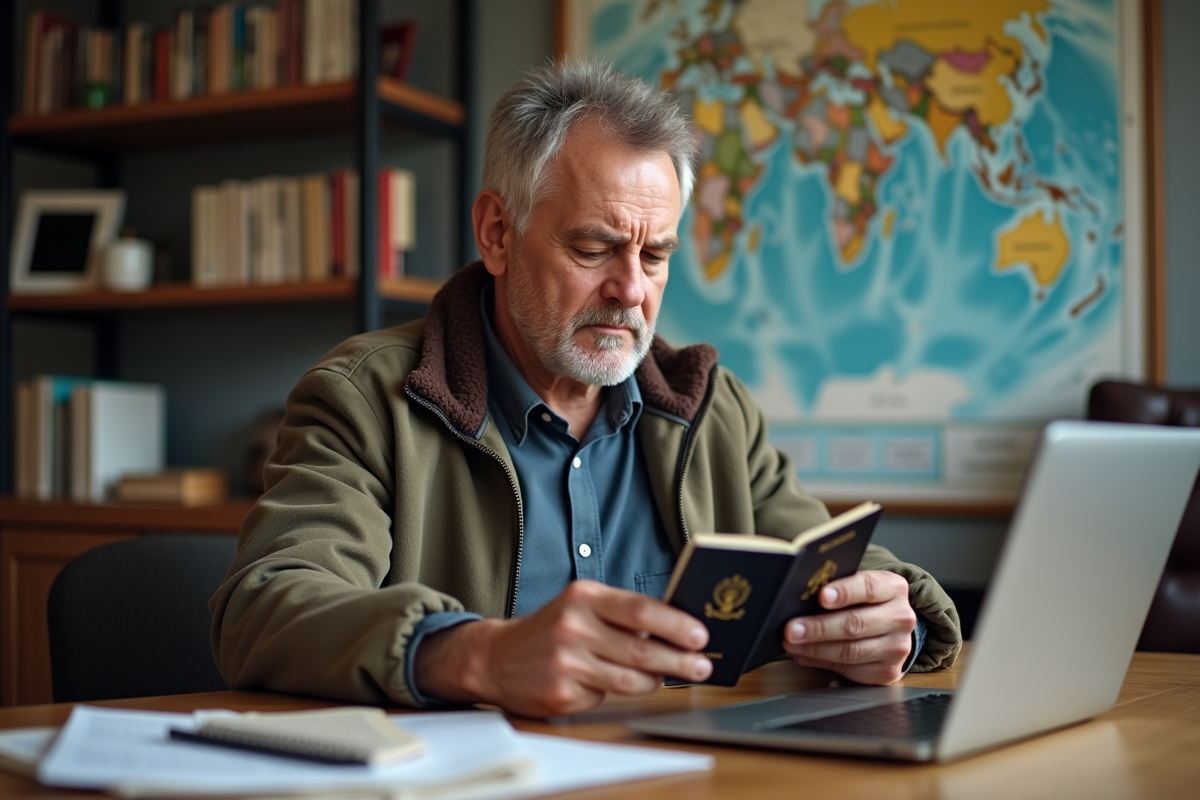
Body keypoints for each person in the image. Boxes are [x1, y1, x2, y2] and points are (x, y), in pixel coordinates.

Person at [210, 61, 961, 718]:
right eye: (594, 247)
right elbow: (267, 604)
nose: (630, 290)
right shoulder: (366, 398)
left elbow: (825, 565)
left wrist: (895, 618)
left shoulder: (712, 409)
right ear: (498, 233)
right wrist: (478, 656)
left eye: (657, 255)